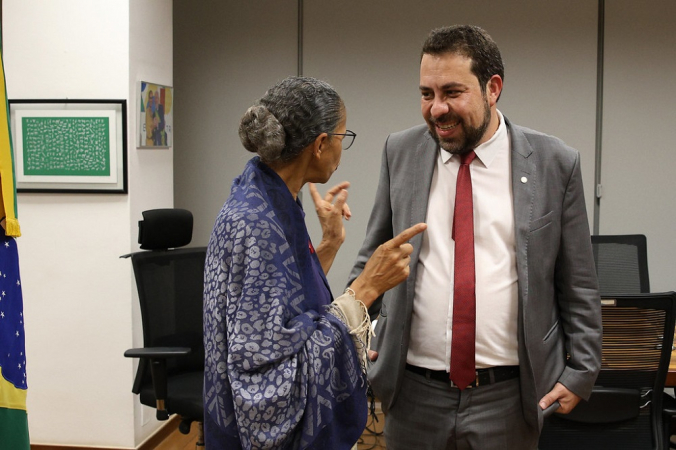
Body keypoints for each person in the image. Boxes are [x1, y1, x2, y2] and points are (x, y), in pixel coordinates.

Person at [348, 25, 603, 450]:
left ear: (493, 88)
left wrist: (581, 372)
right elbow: (373, 258)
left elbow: (578, 282)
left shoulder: (554, 163)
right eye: (426, 94)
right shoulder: (401, 151)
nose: (436, 109)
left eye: (452, 92)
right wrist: (353, 334)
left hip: (508, 397)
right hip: (412, 395)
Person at [203, 76, 426, 450]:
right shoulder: (256, 222)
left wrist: (329, 243)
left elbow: (276, 299)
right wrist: (365, 289)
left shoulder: (265, 195)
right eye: (342, 136)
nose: (342, 148)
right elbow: (268, 381)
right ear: (321, 144)